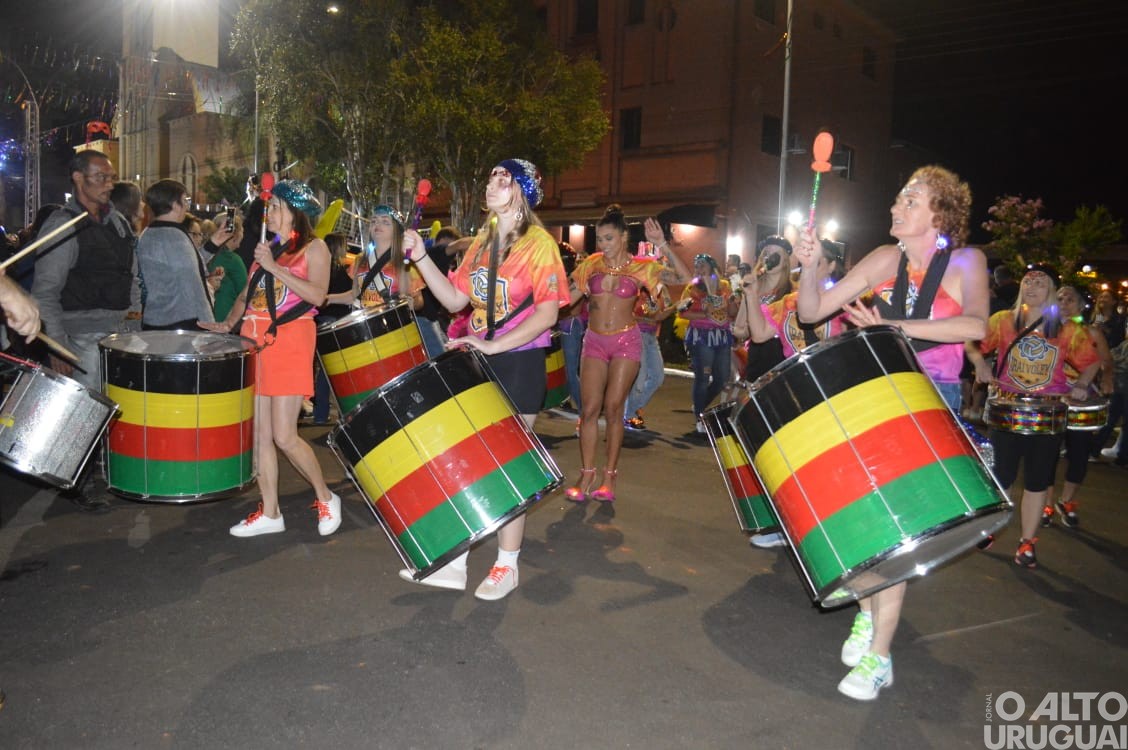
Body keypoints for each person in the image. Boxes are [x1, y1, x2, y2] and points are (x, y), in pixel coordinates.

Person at [796, 165, 990, 701]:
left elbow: (976, 326)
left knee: (895, 526)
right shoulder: (884, 259)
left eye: (911, 198)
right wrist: (810, 268)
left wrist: (891, 327)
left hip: (931, 400)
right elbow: (811, 311)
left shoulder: (967, 261)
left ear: (939, 212)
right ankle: (868, 613)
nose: (896, 205)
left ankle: (880, 656)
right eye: (899, 195)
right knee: (862, 521)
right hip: (872, 398)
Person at [401, 157, 570, 601]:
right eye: (490, 175)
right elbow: (456, 299)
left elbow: (549, 314)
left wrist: (497, 345)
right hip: (479, 359)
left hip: (518, 362)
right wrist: (420, 257)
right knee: (475, 462)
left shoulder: (539, 245)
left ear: (522, 193)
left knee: (509, 467)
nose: (491, 183)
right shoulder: (480, 242)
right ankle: (456, 562)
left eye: (502, 178)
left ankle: (506, 565)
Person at [198, 179, 342, 538]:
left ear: (296, 213)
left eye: (277, 207)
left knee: (284, 435)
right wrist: (228, 324)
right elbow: (248, 293)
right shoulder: (270, 249)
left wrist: (274, 267)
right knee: (260, 435)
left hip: (290, 341)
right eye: (270, 206)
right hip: (254, 342)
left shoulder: (314, 248)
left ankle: (325, 496)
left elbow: (319, 296)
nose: (269, 212)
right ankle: (270, 511)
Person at [966, 266, 1101, 566]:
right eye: (1028, 281)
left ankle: (1027, 542)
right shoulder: (1003, 321)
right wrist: (980, 364)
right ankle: (991, 526)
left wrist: (1080, 384)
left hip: (1047, 413)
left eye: (1041, 283)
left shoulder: (1066, 329)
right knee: (1001, 477)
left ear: (1052, 290)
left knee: (1038, 481)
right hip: (1007, 409)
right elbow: (973, 344)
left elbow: (1092, 364)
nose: (1032, 286)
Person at [565, 206, 689, 502]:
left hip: (625, 342)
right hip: (594, 341)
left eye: (608, 239)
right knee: (590, 409)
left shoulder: (642, 267)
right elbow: (566, 299)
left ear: (623, 237)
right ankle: (586, 475)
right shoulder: (591, 265)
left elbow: (685, 279)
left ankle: (609, 479)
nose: (603, 245)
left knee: (614, 407)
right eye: (600, 240)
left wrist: (661, 245)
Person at [733, 237, 847, 549]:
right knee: (791, 464)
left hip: (831, 393)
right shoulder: (788, 303)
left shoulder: (846, 300)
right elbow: (758, 334)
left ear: (833, 265)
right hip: (794, 392)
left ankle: (831, 526)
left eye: (818, 261)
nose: (809, 267)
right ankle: (788, 525)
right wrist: (752, 294)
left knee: (828, 465)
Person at [1038, 285, 1113, 529]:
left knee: (1078, 453)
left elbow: (1105, 362)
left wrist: (1104, 381)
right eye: (1059, 298)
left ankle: (1066, 501)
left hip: (1080, 401)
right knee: (1047, 454)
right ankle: (1046, 504)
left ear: (1081, 306)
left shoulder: (1091, 332)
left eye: (1070, 299)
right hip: (1050, 400)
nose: (1063, 302)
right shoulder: (1045, 330)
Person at [136, 181, 217, 330]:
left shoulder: (147, 234)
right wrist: (209, 325)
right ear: (174, 204)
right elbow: (192, 283)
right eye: (185, 200)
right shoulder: (175, 236)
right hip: (182, 324)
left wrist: (213, 244)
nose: (187, 206)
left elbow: (178, 267)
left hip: (154, 319)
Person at [329, 205, 425, 312]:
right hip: (367, 324)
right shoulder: (360, 259)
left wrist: (408, 302)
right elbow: (355, 295)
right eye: (374, 221)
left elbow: (418, 300)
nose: (377, 224)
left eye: (385, 222)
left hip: (394, 324)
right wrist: (328, 299)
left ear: (396, 230)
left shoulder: (405, 261)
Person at [680, 253, 736, 432]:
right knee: (703, 378)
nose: (699, 268)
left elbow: (733, 311)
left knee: (722, 378)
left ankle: (700, 403)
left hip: (722, 335)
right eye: (696, 265)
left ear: (712, 266)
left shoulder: (725, 286)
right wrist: (706, 314)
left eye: (702, 264)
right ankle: (699, 417)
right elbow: (683, 312)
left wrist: (735, 301)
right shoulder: (692, 289)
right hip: (702, 336)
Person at [311, 232, 355, 425]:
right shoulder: (342, 270)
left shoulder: (318, 268)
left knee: (322, 370)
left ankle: (320, 414)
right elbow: (353, 294)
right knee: (336, 369)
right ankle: (345, 414)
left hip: (319, 320)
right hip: (337, 321)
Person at [740, 235, 795, 382]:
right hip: (756, 355)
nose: (769, 258)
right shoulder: (753, 288)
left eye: (775, 254)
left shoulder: (792, 292)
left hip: (780, 355)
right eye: (766, 254)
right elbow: (740, 328)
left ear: (784, 262)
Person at [415, 226, 462, 358]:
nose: (450, 251)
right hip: (424, 319)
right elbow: (460, 244)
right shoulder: (436, 252)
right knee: (442, 358)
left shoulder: (429, 257)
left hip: (428, 318)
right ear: (442, 240)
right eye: (449, 244)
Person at [207, 214, 249, 322]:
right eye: (242, 230)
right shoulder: (233, 260)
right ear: (234, 234)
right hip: (224, 320)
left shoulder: (206, 254)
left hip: (206, 315)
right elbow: (245, 293)